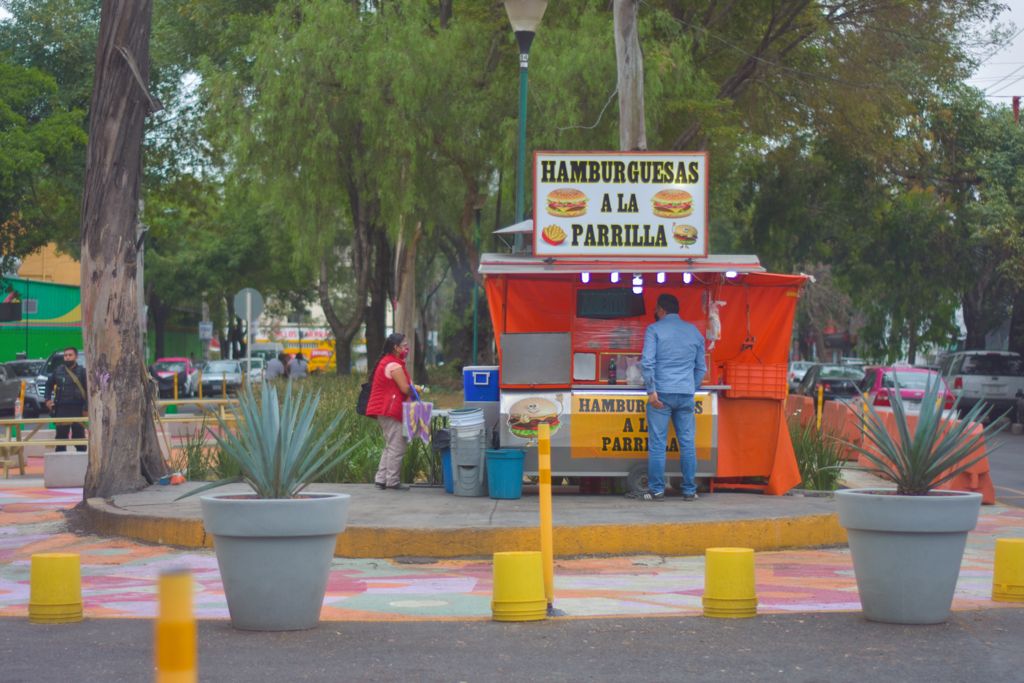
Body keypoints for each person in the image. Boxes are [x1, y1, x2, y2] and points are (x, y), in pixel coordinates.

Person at [636, 294, 706, 502]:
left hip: (661, 395)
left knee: (658, 443)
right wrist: (689, 388)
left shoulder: (654, 330)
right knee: (687, 443)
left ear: (661, 310)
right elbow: (701, 368)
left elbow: (647, 363)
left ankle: (657, 490)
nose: (655, 313)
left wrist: (651, 391)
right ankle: (689, 490)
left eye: (656, 310)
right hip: (685, 393)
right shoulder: (694, 332)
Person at [365, 334, 413, 491]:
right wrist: (416, 388)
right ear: (396, 348)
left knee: (391, 445)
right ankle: (392, 481)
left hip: (383, 410)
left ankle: (381, 479)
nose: (406, 347)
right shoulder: (394, 365)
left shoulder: (387, 362)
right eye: (404, 345)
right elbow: (405, 388)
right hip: (390, 409)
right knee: (397, 446)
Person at [44, 347, 88, 453]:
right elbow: (48, 385)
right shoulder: (58, 371)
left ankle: (82, 465)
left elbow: (88, 392)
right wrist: (47, 400)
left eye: (70, 355)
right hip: (61, 409)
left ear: (76, 357)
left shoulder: (82, 372)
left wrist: (86, 408)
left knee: (79, 438)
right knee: (61, 438)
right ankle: (59, 465)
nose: (67, 358)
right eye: (65, 355)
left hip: (77, 409)